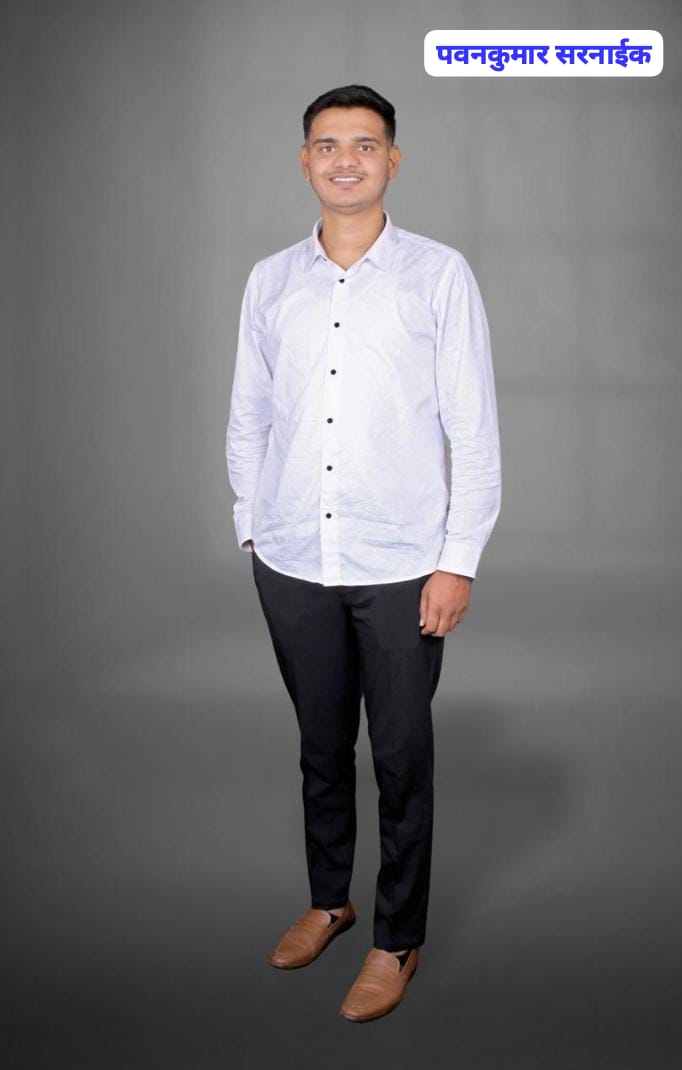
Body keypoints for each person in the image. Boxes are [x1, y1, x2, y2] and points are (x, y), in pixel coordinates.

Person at [225, 84, 502, 1022]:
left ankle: (396, 938)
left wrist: (458, 558)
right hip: (293, 558)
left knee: (401, 757)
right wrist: (253, 523)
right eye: (328, 144)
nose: (346, 159)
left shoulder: (438, 275)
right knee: (319, 747)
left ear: (393, 159)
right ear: (305, 160)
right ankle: (329, 901)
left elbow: (474, 429)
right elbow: (249, 415)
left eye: (366, 144)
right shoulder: (271, 281)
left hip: (401, 566)